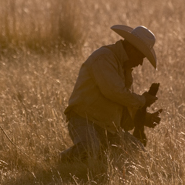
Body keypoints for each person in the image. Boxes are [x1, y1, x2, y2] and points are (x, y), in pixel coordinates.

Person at [60, 25, 159, 162]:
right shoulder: (104, 58)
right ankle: (62, 161)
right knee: (90, 149)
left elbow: (123, 103)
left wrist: (145, 118)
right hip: (84, 119)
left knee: (139, 154)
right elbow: (114, 92)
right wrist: (142, 100)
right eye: (141, 56)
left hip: (108, 126)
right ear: (131, 49)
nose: (141, 63)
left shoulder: (124, 67)